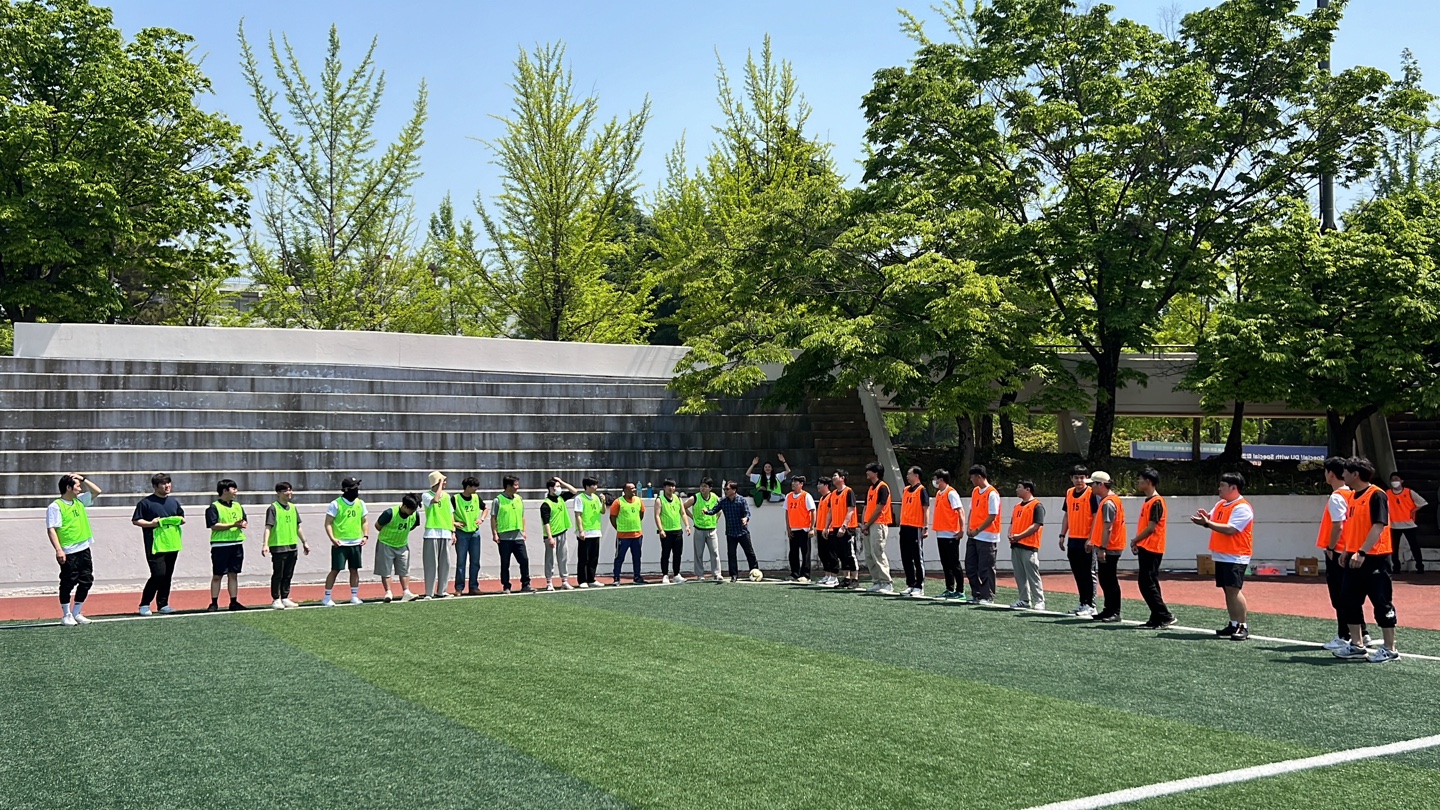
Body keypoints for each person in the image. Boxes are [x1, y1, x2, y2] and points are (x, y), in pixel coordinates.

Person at [1333, 458, 1399, 663]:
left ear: (1355, 474)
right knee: (1348, 600)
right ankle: (1356, 644)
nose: (1343, 475)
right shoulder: (1352, 497)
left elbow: (1378, 526)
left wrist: (1362, 552)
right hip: (1354, 557)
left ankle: (1390, 648)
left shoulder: (1376, 495)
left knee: (1381, 602)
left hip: (1375, 558)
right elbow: (1354, 528)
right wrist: (1346, 550)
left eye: (1346, 472)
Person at [1189, 472, 1254, 641]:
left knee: (1234, 590)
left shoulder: (1242, 507)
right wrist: (1206, 518)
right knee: (1228, 590)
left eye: (1223, 486)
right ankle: (1233, 623)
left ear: (1233, 488)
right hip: (1222, 555)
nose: (1219, 488)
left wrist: (1207, 523)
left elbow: (1231, 529)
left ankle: (1242, 626)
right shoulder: (1221, 504)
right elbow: (1212, 519)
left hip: (1236, 556)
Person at [1318, 457, 1367, 651]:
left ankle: (1344, 635)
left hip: (1339, 551)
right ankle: (1362, 632)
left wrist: (1331, 547)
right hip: (1351, 548)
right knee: (1352, 594)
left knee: (1340, 595)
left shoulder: (1337, 496)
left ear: (1331, 474)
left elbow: (1338, 525)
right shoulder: (1354, 495)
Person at [46, 473, 103, 626]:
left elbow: (97, 491)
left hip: (84, 548)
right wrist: (59, 550)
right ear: (68, 488)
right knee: (68, 582)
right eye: (77, 486)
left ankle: (77, 612)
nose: (80, 488)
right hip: (69, 551)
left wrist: (83, 478)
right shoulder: (56, 506)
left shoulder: (79, 501)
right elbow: (51, 529)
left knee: (86, 580)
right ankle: (66, 614)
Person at [132, 473, 184, 616]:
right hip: (155, 545)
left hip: (172, 544)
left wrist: (180, 520)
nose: (167, 486)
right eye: (163, 483)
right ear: (155, 486)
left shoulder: (173, 502)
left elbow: (181, 517)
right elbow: (136, 520)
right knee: (158, 574)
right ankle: (144, 604)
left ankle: (163, 604)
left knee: (167, 575)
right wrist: (151, 524)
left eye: (169, 483)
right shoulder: (145, 503)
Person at [1131, 468, 1174, 629]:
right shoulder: (1149, 501)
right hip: (1147, 546)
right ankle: (1156, 617)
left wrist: (1135, 540)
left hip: (1152, 547)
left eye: (1140, 479)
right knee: (1150, 582)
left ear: (1148, 482)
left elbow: (1151, 528)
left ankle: (1164, 615)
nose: (1138, 482)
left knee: (1146, 583)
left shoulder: (1156, 502)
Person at [261, 482, 310, 609]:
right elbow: (268, 527)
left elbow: (298, 526)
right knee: (278, 574)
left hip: (292, 545)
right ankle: (276, 598)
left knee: (288, 574)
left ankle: (285, 597)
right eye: (286, 490)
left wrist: (304, 542)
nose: (289, 493)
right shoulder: (273, 508)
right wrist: (265, 544)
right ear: (278, 493)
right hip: (278, 546)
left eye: (290, 490)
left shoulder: (293, 507)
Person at [323, 477, 369, 607]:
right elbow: (328, 523)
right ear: (346, 489)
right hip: (340, 544)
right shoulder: (336, 504)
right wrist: (333, 538)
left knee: (354, 570)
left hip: (356, 543)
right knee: (335, 570)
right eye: (354, 487)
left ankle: (354, 596)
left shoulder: (360, 503)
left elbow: (365, 521)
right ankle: (327, 597)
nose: (357, 490)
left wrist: (365, 536)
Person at [1061, 465, 1100, 617]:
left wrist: (1091, 538)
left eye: (1082, 477)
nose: (1079, 480)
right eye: (1076, 477)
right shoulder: (1069, 493)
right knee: (1078, 573)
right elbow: (1067, 515)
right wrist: (1062, 534)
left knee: (1088, 573)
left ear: (1087, 478)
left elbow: (1096, 516)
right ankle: (1083, 602)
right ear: (1071, 479)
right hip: (1073, 539)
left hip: (1086, 540)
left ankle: (1091, 604)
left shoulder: (1091, 493)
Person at [1088, 471, 1126, 622]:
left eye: (1093, 484)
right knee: (1105, 579)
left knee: (1109, 580)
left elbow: (1108, 528)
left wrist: (1103, 548)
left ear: (1101, 485)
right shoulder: (1109, 501)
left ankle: (1114, 611)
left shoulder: (1108, 503)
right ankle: (1109, 610)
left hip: (1110, 547)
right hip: (1109, 546)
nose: (1091, 487)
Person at [205, 479, 248, 612]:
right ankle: (214, 603)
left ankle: (233, 602)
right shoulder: (214, 507)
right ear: (225, 491)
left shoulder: (238, 505)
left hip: (237, 544)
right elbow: (213, 525)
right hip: (220, 546)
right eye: (233, 489)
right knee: (217, 575)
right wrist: (232, 525)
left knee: (233, 574)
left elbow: (244, 520)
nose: (236, 492)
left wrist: (243, 524)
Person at [705, 481, 758, 582]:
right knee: (731, 554)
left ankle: (755, 571)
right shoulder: (723, 501)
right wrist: (707, 512)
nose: (725, 491)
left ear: (734, 490)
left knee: (749, 552)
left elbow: (747, 512)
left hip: (742, 532)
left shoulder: (741, 500)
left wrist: (746, 519)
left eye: (727, 489)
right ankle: (734, 575)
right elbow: (714, 510)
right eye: (724, 489)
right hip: (730, 532)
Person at [374, 494, 421, 603]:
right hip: (386, 543)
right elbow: (377, 526)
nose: (412, 512)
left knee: (404, 569)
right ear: (404, 506)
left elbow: (413, 526)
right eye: (411, 510)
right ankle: (388, 592)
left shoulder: (415, 515)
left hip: (402, 545)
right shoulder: (389, 513)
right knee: (386, 570)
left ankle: (406, 592)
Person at [965, 465, 1002, 605]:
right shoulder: (975, 491)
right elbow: (971, 510)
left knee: (986, 567)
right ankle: (977, 593)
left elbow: (992, 516)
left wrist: (978, 529)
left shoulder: (992, 493)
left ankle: (988, 595)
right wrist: (969, 527)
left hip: (987, 536)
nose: (971, 480)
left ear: (979, 477)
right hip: (974, 535)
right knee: (970, 566)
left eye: (972, 477)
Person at [493, 475, 534, 594]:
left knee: (524, 560)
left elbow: (522, 516)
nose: (517, 487)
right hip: (504, 538)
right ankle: (506, 586)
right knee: (505, 563)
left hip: (518, 536)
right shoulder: (498, 500)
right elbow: (493, 518)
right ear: (508, 486)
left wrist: (524, 531)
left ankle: (526, 584)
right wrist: (495, 533)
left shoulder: (519, 499)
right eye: (515, 485)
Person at [1007, 480, 1045, 610]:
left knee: (1033, 575)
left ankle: (1039, 600)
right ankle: (1024, 599)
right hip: (1016, 545)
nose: (1017, 490)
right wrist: (1010, 534)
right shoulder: (1017, 506)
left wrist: (1019, 536)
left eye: (1019, 487)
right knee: (1019, 575)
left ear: (1027, 489)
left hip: (1029, 546)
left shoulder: (1037, 505)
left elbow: (1036, 525)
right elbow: (1012, 523)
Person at [859, 463, 895, 594]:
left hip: (878, 524)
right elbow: (866, 507)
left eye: (869, 470)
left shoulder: (882, 487)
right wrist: (864, 523)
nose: (867, 473)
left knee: (878, 553)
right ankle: (877, 581)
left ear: (876, 473)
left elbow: (879, 508)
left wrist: (867, 524)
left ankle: (886, 582)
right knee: (869, 555)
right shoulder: (870, 488)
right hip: (869, 524)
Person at [931, 469, 966, 599]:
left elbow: (960, 511)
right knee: (945, 563)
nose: (934, 481)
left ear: (941, 480)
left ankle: (960, 590)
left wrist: (961, 529)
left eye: (936, 479)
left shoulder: (951, 493)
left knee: (954, 563)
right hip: (941, 533)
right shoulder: (939, 493)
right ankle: (949, 588)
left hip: (951, 533)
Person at [420, 471, 453, 599]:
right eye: (442, 481)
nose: (445, 483)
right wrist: (439, 485)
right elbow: (435, 500)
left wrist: (453, 531)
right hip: (431, 532)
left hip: (445, 532)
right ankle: (429, 592)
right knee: (431, 564)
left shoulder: (447, 496)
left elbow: (450, 513)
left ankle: (442, 591)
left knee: (445, 564)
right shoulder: (426, 495)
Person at [452, 476, 487, 595]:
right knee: (461, 562)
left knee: (475, 562)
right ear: (467, 487)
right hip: (461, 533)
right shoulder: (455, 498)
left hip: (474, 533)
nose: (476, 489)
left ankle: (473, 587)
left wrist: (481, 519)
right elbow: (448, 513)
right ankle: (459, 588)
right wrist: (454, 523)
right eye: (474, 487)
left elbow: (485, 508)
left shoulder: (476, 497)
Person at [1387, 472, 1428, 574]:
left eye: (1396, 479)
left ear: (1402, 481)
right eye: (1392, 479)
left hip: (1408, 524)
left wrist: (1413, 511)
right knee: (1394, 548)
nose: (1394, 481)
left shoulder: (1409, 492)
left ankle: (1420, 566)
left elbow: (1422, 502)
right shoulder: (1387, 493)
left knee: (1414, 546)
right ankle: (1396, 567)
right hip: (1394, 525)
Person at [542, 476, 578, 590]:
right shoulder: (546, 504)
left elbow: (574, 491)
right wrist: (550, 537)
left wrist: (562, 481)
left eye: (559, 486)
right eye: (557, 486)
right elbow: (546, 522)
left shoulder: (561, 498)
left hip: (562, 533)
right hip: (551, 536)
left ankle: (564, 581)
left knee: (563, 558)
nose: (559, 488)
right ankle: (549, 582)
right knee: (550, 560)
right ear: (550, 488)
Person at [898, 467, 930, 597]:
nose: (907, 476)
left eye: (909, 474)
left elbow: (926, 509)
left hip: (915, 527)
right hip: (904, 526)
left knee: (917, 557)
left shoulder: (922, 490)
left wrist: (925, 527)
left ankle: (919, 586)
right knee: (906, 557)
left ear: (916, 475)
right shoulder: (906, 490)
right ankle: (910, 584)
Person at [686, 478, 724, 583]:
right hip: (699, 529)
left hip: (711, 529)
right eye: (701, 486)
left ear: (710, 488)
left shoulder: (714, 497)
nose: (702, 488)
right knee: (698, 553)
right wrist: (692, 517)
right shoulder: (695, 497)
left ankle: (717, 573)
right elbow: (684, 507)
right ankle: (700, 575)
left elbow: (720, 508)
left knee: (715, 552)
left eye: (705, 486)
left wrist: (716, 518)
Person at [829, 470, 861, 590]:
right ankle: (846, 578)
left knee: (849, 554)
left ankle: (855, 579)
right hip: (836, 526)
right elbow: (830, 512)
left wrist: (844, 526)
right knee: (841, 554)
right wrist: (827, 527)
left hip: (847, 528)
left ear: (842, 478)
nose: (833, 478)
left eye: (835, 476)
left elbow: (850, 510)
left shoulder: (848, 491)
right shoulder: (833, 494)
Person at [610, 482, 647, 585]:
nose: (634, 490)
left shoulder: (639, 501)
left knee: (637, 557)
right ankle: (616, 578)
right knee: (619, 558)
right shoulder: (618, 502)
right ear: (625, 490)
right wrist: (618, 528)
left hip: (637, 535)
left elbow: (641, 514)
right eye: (631, 488)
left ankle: (637, 577)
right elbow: (612, 517)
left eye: (634, 488)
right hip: (623, 536)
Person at [655, 478, 690, 584]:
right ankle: (665, 575)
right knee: (665, 554)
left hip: (677, 531)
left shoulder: (678, 498)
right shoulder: (660, 500)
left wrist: (687, 525)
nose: (671, 488)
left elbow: (683, 513)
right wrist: (661, 529)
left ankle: (676, 574)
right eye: (669, 486)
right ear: (664, 487)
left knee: (677, 554)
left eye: (673, 486)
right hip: (666, 532)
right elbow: (657, 515)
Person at [574, 478, 608, 588]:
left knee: (594, 558)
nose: (596, 487)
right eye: (594, 485)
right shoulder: (580, 498)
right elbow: (578, 515)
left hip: (595, 531)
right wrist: (581, 531)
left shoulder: (596, 498)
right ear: (587, 486)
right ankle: (582, 580)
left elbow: (602, 511)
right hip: (585, 532)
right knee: (583, 558)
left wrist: (603, 501)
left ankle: (591, 579)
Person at [784, 475, 815, 583]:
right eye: (792, 482)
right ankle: (794, 573)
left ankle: (806, 574)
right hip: (793, 529)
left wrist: (811, 528)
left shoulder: (806, 496)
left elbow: (813, 511)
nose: (793, 484)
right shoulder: (788, 496)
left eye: (796, 482)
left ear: (801, 484)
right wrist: (788, 527)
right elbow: (787, 512)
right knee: (793, 553)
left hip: (804, 529)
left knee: (805, 552)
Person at [813, 477, 838, 587]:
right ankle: (827, 574)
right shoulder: (822, 498)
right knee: (822, 553)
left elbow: (832, 513)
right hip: (820, 529)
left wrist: (828, 527)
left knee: (831, 553)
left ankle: (834, 576)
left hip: (829, 530)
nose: (818, 486)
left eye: (820, 484)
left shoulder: (831, 496)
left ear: (826, 486)